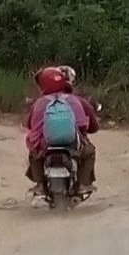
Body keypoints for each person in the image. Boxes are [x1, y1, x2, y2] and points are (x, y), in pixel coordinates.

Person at [24, 67, 97, 195]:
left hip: (46, 146)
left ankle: (40, 184)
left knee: (33, 154)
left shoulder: (39, 103)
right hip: (72, 144)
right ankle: (83, 184)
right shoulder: (74, 100)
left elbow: (30, 125)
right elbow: (82, 125)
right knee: (90, 152)